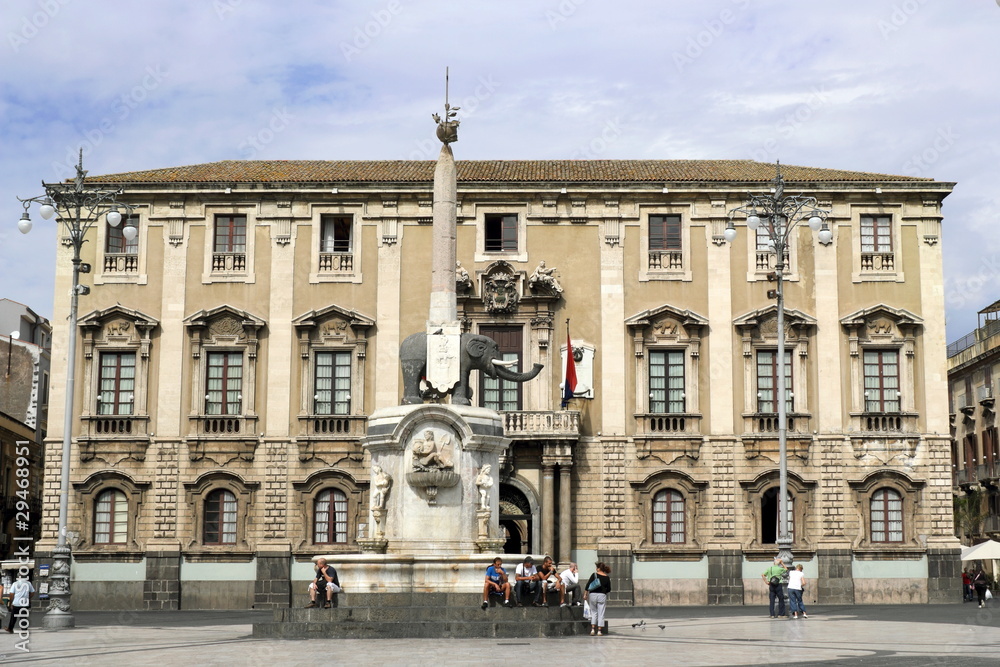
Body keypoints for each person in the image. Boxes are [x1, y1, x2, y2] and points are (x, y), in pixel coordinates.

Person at [584, 562, 612, 637]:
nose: (596, 569)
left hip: (592, 594)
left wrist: (585, 594)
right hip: (602, 595)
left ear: (599, 568)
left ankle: (593, 629)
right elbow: (609, 589)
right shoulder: (607, 577)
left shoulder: (594, 575)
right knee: (601, 613)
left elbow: (588, 584)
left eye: (597, 567)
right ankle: (599, 631)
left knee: (593, 612)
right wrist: (603, 592)